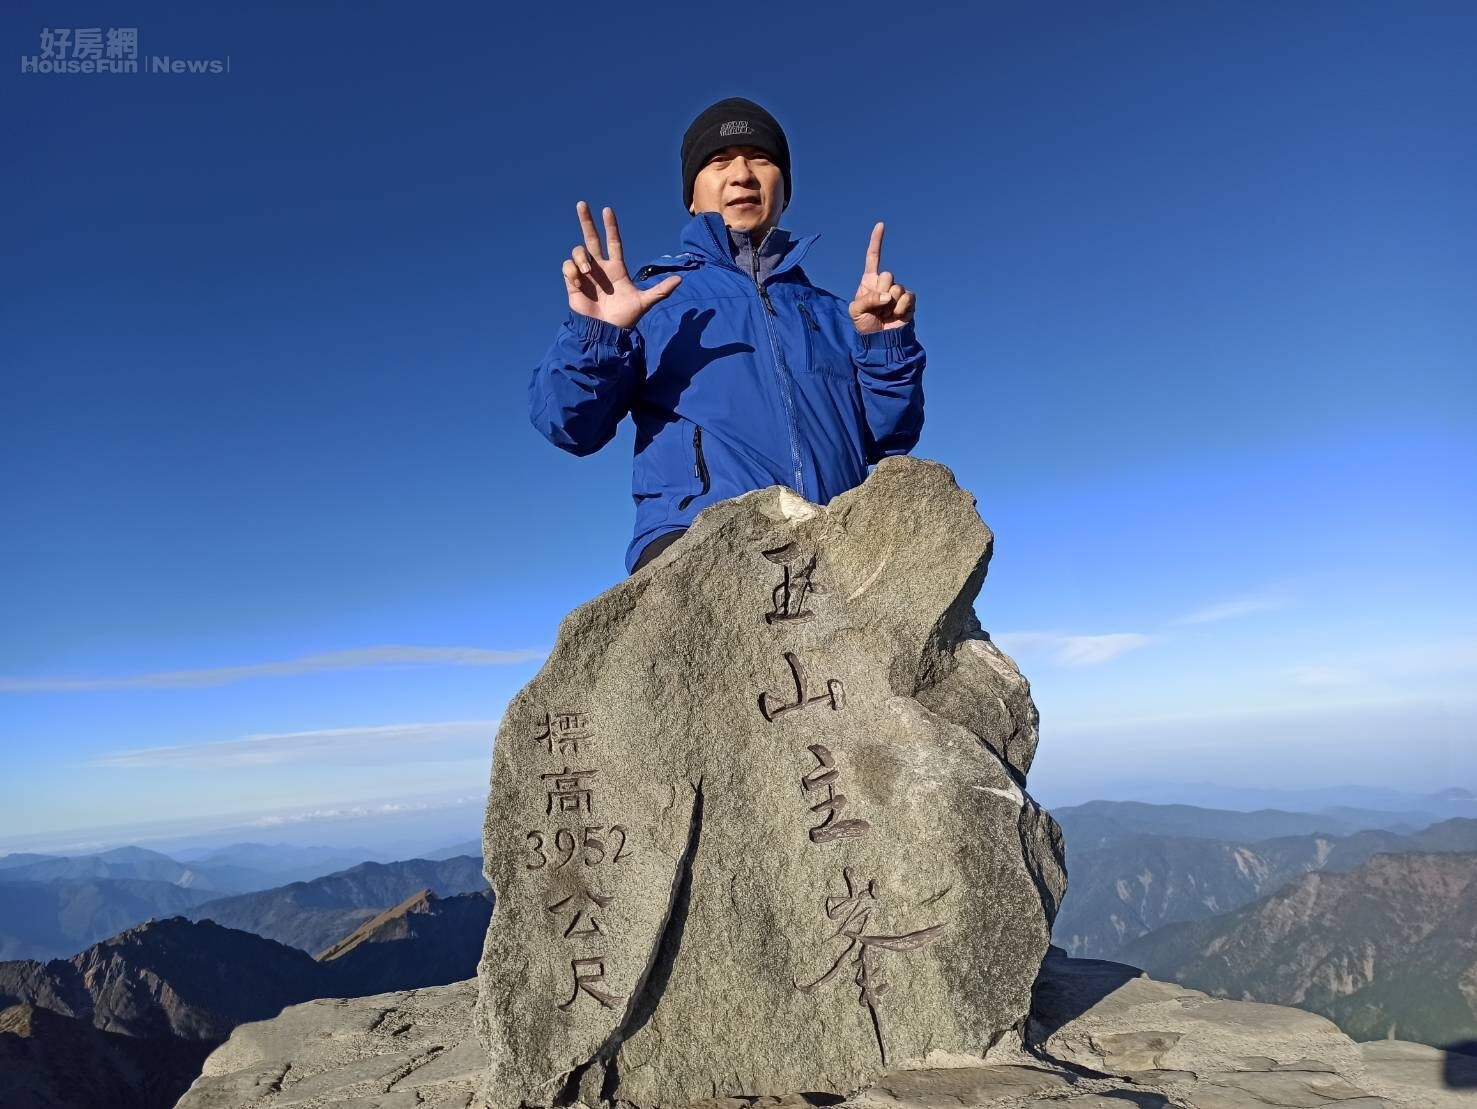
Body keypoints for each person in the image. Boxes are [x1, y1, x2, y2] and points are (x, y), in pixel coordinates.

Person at [528, 96, 926, 575]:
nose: (742, 174)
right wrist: (597, 334)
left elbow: (889, 439)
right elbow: (569, 426)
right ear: (692, 197)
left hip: (836, 545)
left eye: (760, 159)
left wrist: (884, 347)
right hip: (697, 545)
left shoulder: (838, 314)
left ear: (785, 190)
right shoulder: (652, 301)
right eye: (719, 162)